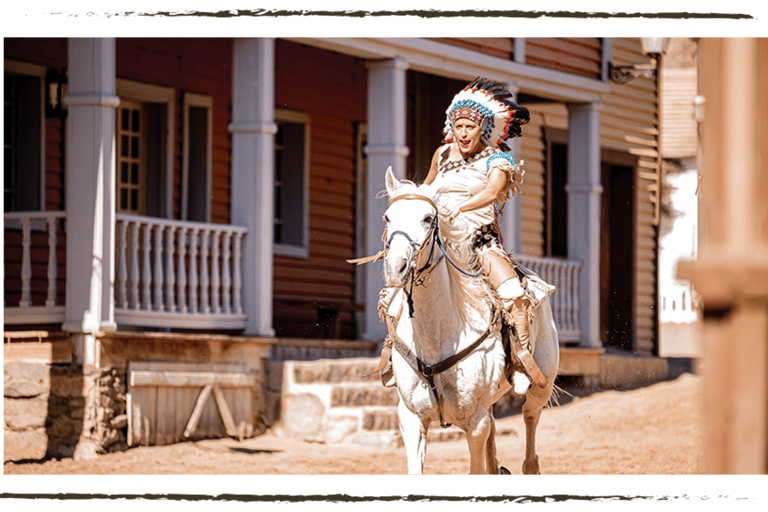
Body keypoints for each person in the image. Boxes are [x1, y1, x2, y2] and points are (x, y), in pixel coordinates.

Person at [423, 77, 549, 389]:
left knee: (514, 295)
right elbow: (427, 189)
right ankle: (394, 350)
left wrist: (461, 207)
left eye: (470, 127)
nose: (463, 133)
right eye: (458, 126)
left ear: (484, 128)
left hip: (479, 242)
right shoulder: (441, 155)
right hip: (438, 240)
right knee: (401, 279)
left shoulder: (499, 159)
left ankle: (521, 357)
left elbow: (493, 191)